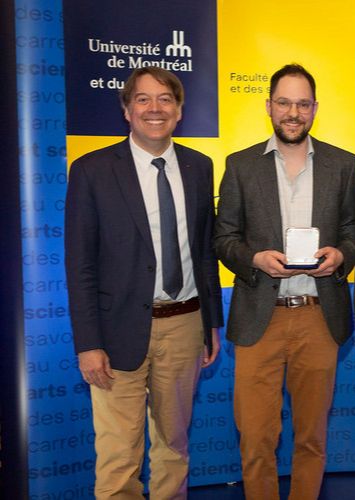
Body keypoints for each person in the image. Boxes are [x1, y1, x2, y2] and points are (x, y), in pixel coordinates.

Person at [65, 67, 223, 499]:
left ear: (179, 109)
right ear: (126, 110)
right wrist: (88, 343)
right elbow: (80, 264)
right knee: (119, 454)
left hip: (185, 325)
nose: (155, 108)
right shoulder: (92, 170)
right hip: (115, 334)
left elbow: (204, 251)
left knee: (174, 446)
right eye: (143, 99)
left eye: (165, 99)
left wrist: (212, 322)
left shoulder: (199, 166)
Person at [214, 63, 355, 500]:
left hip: (319, 318)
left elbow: (354, 233)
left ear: (314, 108)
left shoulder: (343, 164)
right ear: (269, 106)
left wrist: (341, 256)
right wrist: (254, 258)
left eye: (302, 103)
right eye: (284, 102)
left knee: (311, 438)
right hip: (260, 318)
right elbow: (222, 238)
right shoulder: (240, 165)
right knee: (256, 438)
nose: (293, 112)